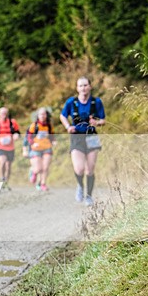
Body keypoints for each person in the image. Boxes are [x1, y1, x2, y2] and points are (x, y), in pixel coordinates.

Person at [59, 76, 105, 206]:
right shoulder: (71, 102)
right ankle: (80, 185)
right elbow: (62, 115)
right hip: (77, 137)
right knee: (79, 169)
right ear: (77, 88)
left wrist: (96, 122)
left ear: (90, 87)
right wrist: (68, 126)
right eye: (80, 86)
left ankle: (89, 196)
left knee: (89, 170)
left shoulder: (96, 102)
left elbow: (103, 120)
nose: (83, 88)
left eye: (85, 85)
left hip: (92, 137)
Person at [23, 106, 55, 192]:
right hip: (35, 149)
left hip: (47, 148)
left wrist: (53, 141)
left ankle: (43, 184)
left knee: (45, 167)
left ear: (46, 115)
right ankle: (33, 172)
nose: (42, 116)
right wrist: (33, 143)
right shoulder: (34, 126)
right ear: (38, 115)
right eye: (41, 114)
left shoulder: (49, 125)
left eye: (44, 114)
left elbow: (52, 136)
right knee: (38, 168)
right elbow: (28, 137)